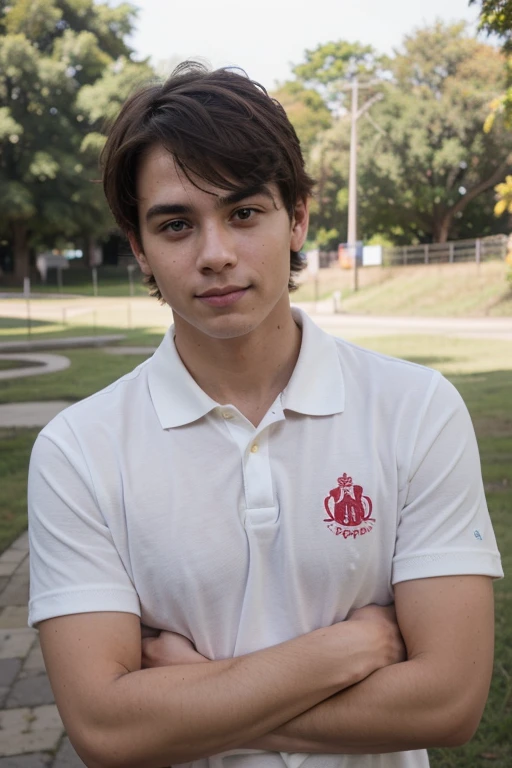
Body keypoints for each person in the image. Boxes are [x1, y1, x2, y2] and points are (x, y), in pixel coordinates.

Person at [28, 62, 503, 768]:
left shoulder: (417, 410)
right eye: (177, 224)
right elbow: (104, 729)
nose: (216, 254)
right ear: (140, 248)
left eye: (244, 212)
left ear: (298, 218)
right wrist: (345, 651)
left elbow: (448, 702)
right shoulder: (78, 451)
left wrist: (190, 702)